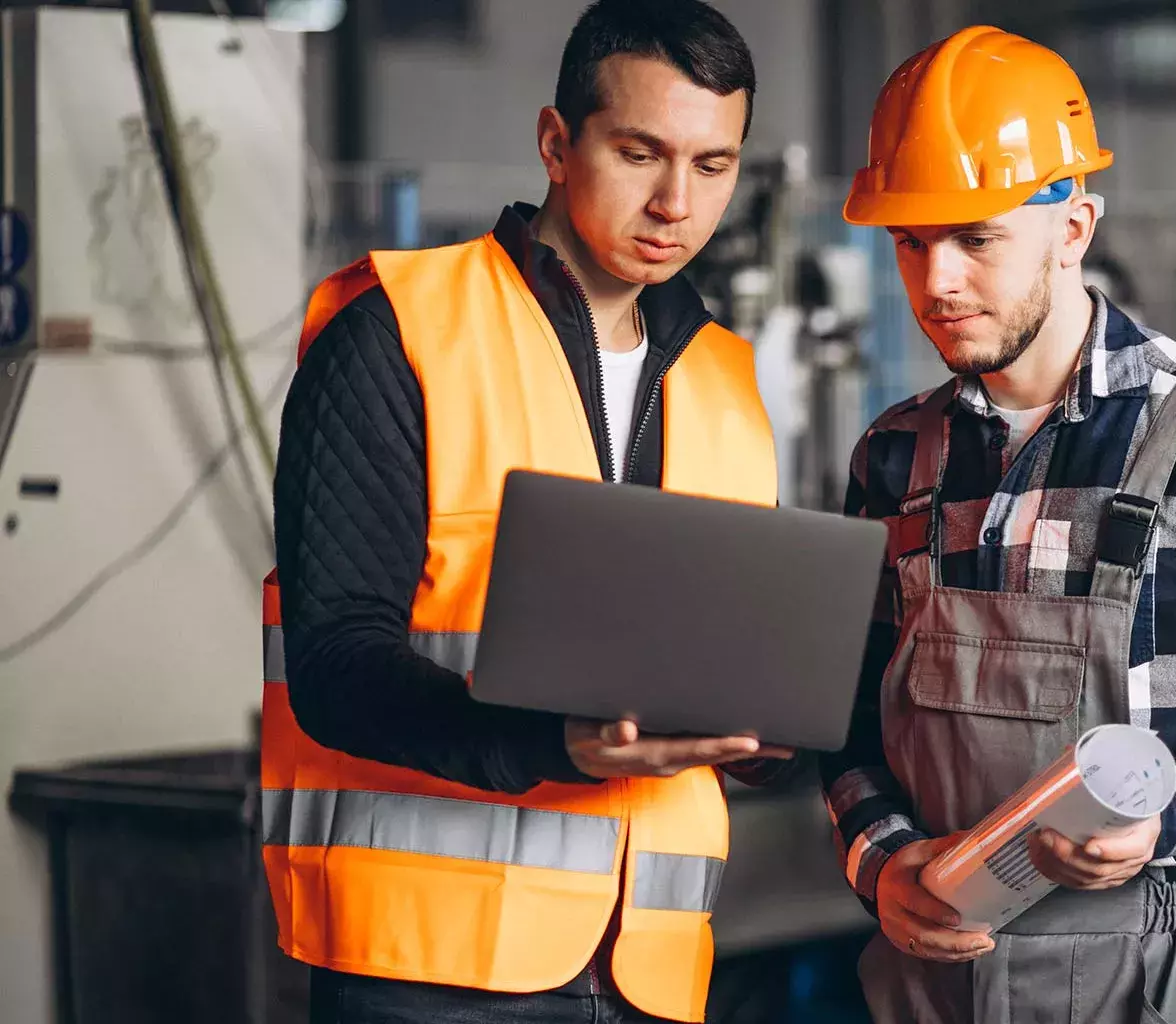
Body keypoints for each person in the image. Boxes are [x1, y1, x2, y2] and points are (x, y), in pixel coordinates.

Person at [821, 26, 1176, 1024]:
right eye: (909, 240)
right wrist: (882, 859)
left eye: (976, 239)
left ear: (1074, 228)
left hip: (1157, 975)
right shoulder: (894, 458)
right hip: (935, 979)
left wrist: (1170, 812)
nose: (934, 282)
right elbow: (851, 725)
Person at [264, 3, 788, 1022]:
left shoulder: (726, 378)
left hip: (648, 968)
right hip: (427, 967)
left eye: (714, 165)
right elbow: (333, 664)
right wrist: (552, 744)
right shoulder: (398, 333)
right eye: (641, 153)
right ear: (557, 142)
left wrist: (771, 725)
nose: (677, 201)